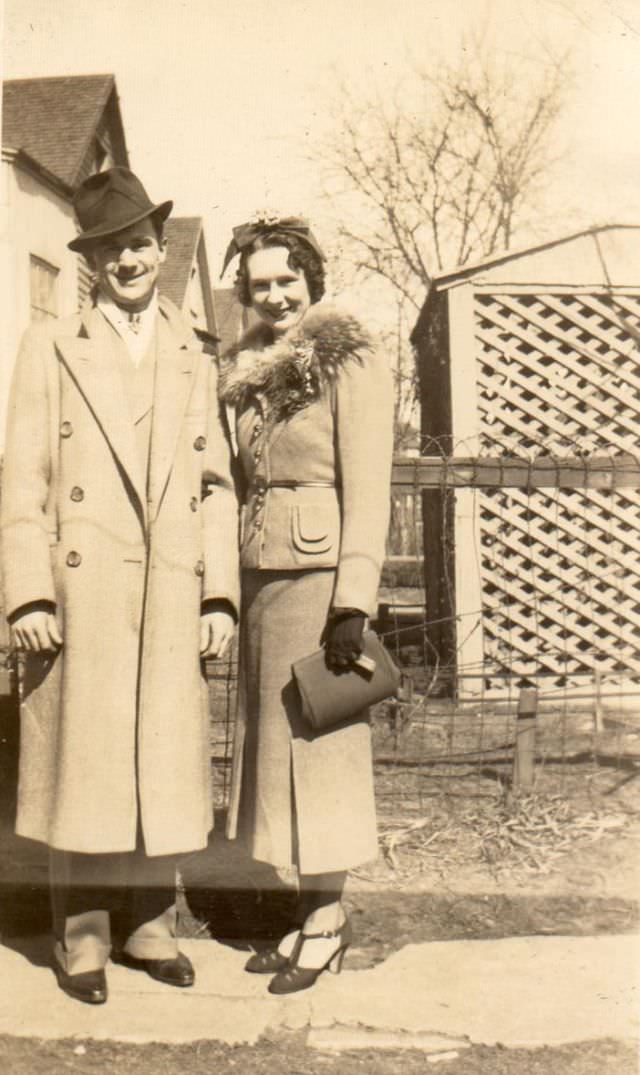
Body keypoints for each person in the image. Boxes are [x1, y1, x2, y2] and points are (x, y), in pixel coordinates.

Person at [0, 167, 239, 1004]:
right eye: (110, 248)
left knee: (159, 760)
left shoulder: (191, 351)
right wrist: (27, 593)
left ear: (159, 246)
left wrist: (219, 596)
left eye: (139, 241)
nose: (129, 259)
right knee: (85, 760)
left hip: (172, 588)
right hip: (83, 589)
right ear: (91, 263)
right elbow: (21, 478)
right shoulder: (52, 345)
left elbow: (216, 483)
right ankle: (83, 936)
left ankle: (147, 924)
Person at [218, 213, 394, 994]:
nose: (276, 295)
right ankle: (307, 906)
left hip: (322, 578)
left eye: (287, 279)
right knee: (279, 748)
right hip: (263, 571)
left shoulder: (346, 356)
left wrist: (353, 599)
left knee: (321, 743)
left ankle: (328, 919)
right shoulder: (248, 364)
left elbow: (371, 482)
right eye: (260, 285)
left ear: (312, 279)